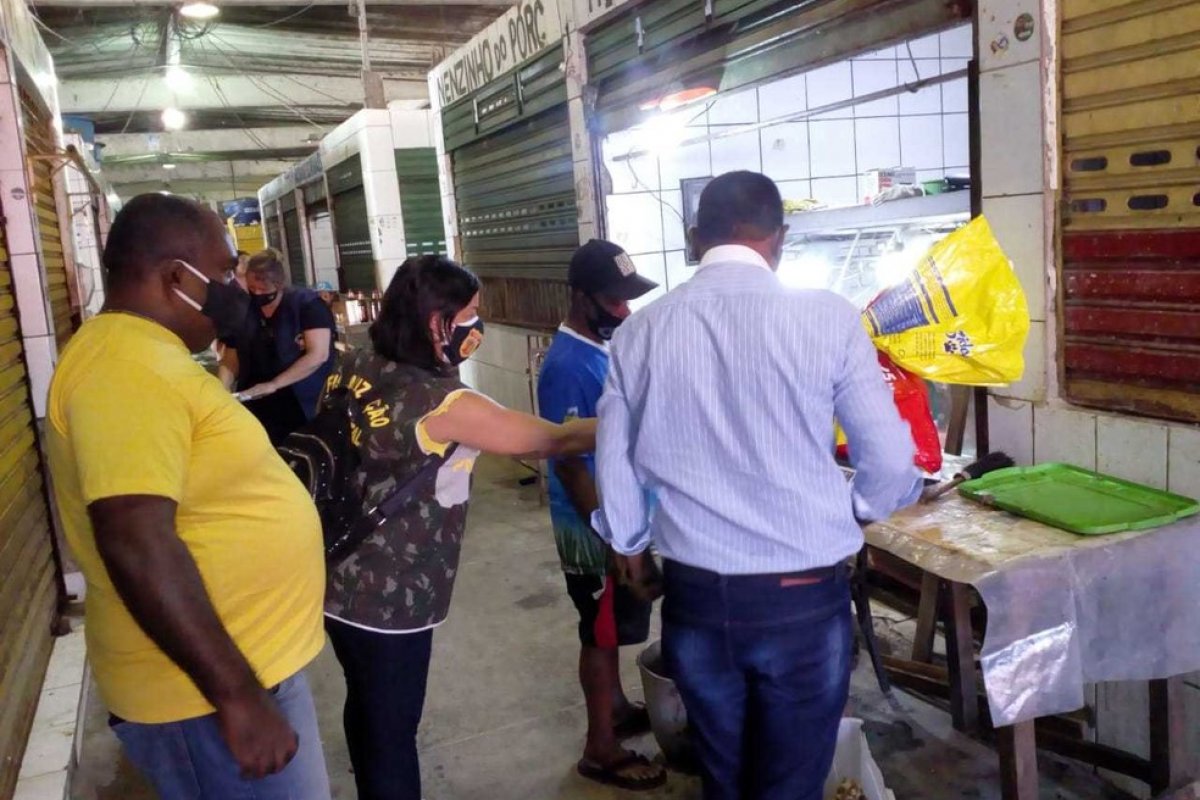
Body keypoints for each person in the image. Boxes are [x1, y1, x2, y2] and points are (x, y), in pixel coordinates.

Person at [592, 171, 923, 800]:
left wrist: (632, 549)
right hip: (802, 600)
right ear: (781, 239)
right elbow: (892, 463)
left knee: (723, 772)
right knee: (790, 781)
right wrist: (850, 512)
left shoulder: (640, 332)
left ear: (694, 240)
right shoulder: (827, 318)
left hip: (695, 597)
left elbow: (617, 465)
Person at [45, 194, 330, 799]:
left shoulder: (143, 356)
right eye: (225, 272)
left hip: (229, 678)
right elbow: (135, 539)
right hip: (202, 696)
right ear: (176, 277)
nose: (235, 288)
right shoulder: (125, 369)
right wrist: (238, 697)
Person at [324, 254, 598, 800]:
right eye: (472, 313)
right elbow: (553, 440)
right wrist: (639, 415)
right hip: (390, 594)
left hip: (336, 571)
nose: (479, 325)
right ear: (436, 321)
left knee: (369, 708)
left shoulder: (358, 362)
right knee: (393, 734)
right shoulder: (444, 403)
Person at [536, 239, 666, 791]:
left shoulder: (599, 348)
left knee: (612, 628)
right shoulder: (565, 364)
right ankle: (601, 749)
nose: (624, 310)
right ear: (580, 297)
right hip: (593, 527)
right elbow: (568, 462)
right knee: (600, 632)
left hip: (619, 520)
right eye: (613, 301)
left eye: (627, 299)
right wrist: (611, 536)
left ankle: (613, 706)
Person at [218, 248, 337, 444]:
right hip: (254, 398)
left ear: (279, 284)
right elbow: (232, 353)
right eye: (252, 288)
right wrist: (221, 390)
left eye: (263, 290)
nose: (257, 294)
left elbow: (318, 355)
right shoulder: (243, 308)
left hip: (303, 401)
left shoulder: (307, 305)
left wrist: (274, 384)